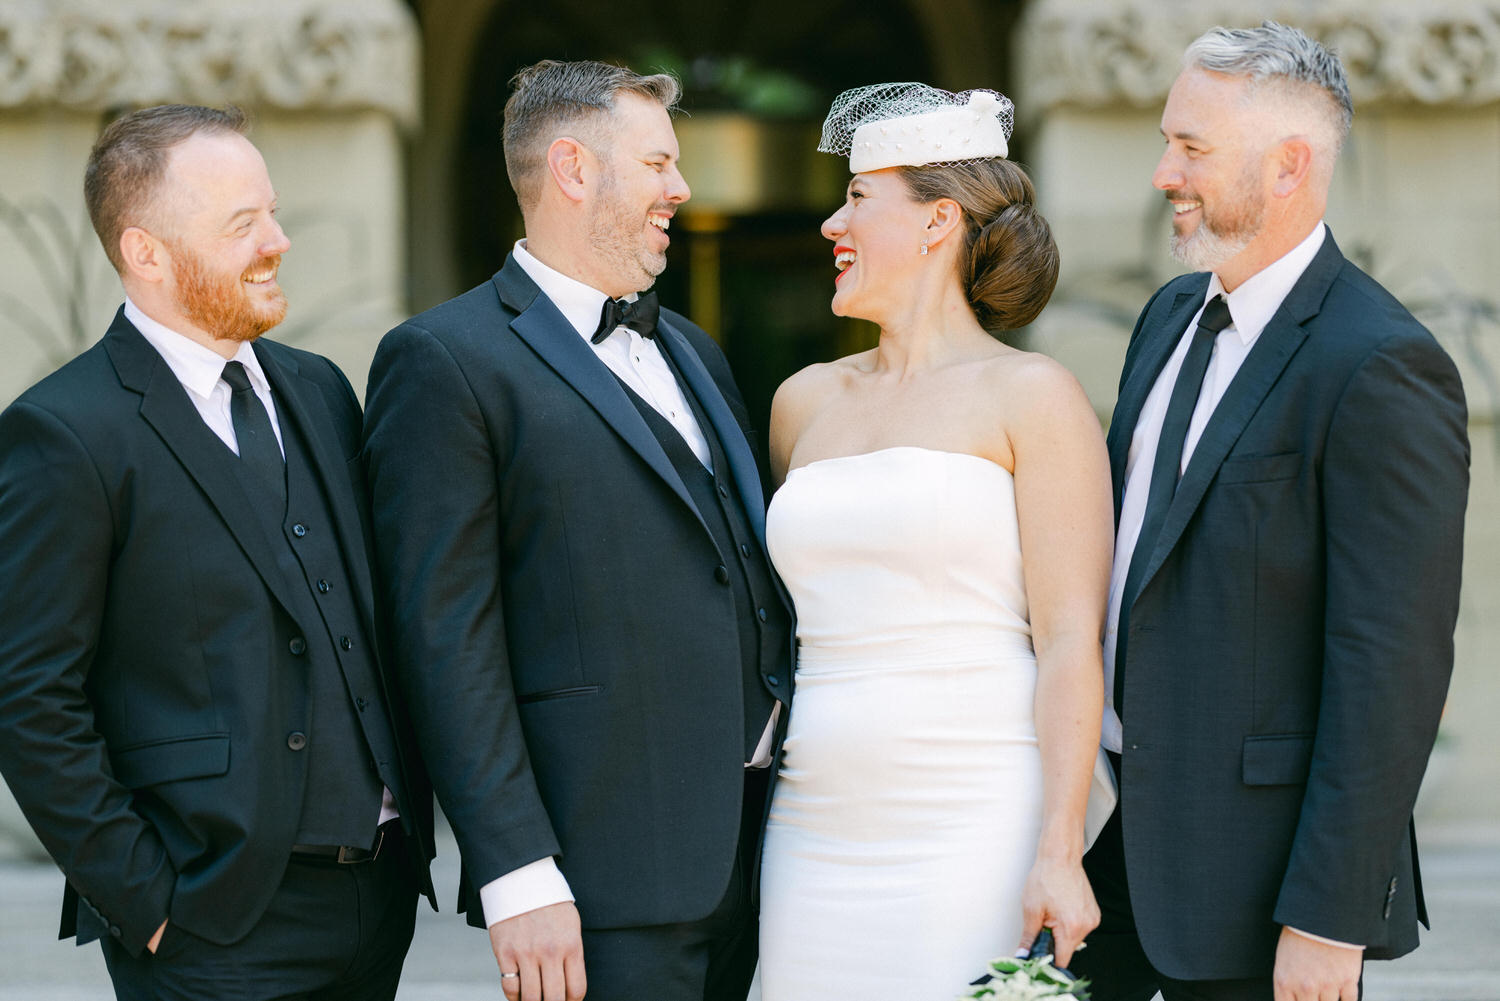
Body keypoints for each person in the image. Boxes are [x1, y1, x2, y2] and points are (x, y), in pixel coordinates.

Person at [361, 60, 791, 1001]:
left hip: (758, 855)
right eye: (657, 164)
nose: (681, 188)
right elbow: (444, 637)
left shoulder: (693, 350)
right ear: (572, 168)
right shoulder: (443, 359)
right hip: (597, 876)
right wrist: (516, 868)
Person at [1070, 22, 1469, 1001]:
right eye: (1167, 140)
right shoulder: (1166, 318)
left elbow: (1391, 663)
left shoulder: (1381, 364)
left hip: (1263, 882)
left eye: (1192, 147)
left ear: (1290, 165)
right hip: (1123, 841)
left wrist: (1329, 915)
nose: (1164, 172)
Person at [0, 104, 434, 1001]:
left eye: (270, 212)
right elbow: (28, 694)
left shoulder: (318, 389)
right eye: (242, 224)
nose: (277, 240)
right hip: (208, 924)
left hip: (377, 903)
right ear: (146, 252)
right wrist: (145, 898)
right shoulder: (63, 433)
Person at [755, 83, 1118, 1001]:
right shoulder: (803, 403)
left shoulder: (1034, 396)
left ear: (936, 222)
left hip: (975, 820)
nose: (833, 221)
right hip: (813, 819)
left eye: (858, 198)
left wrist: (1059, 847)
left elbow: (1072, 638)